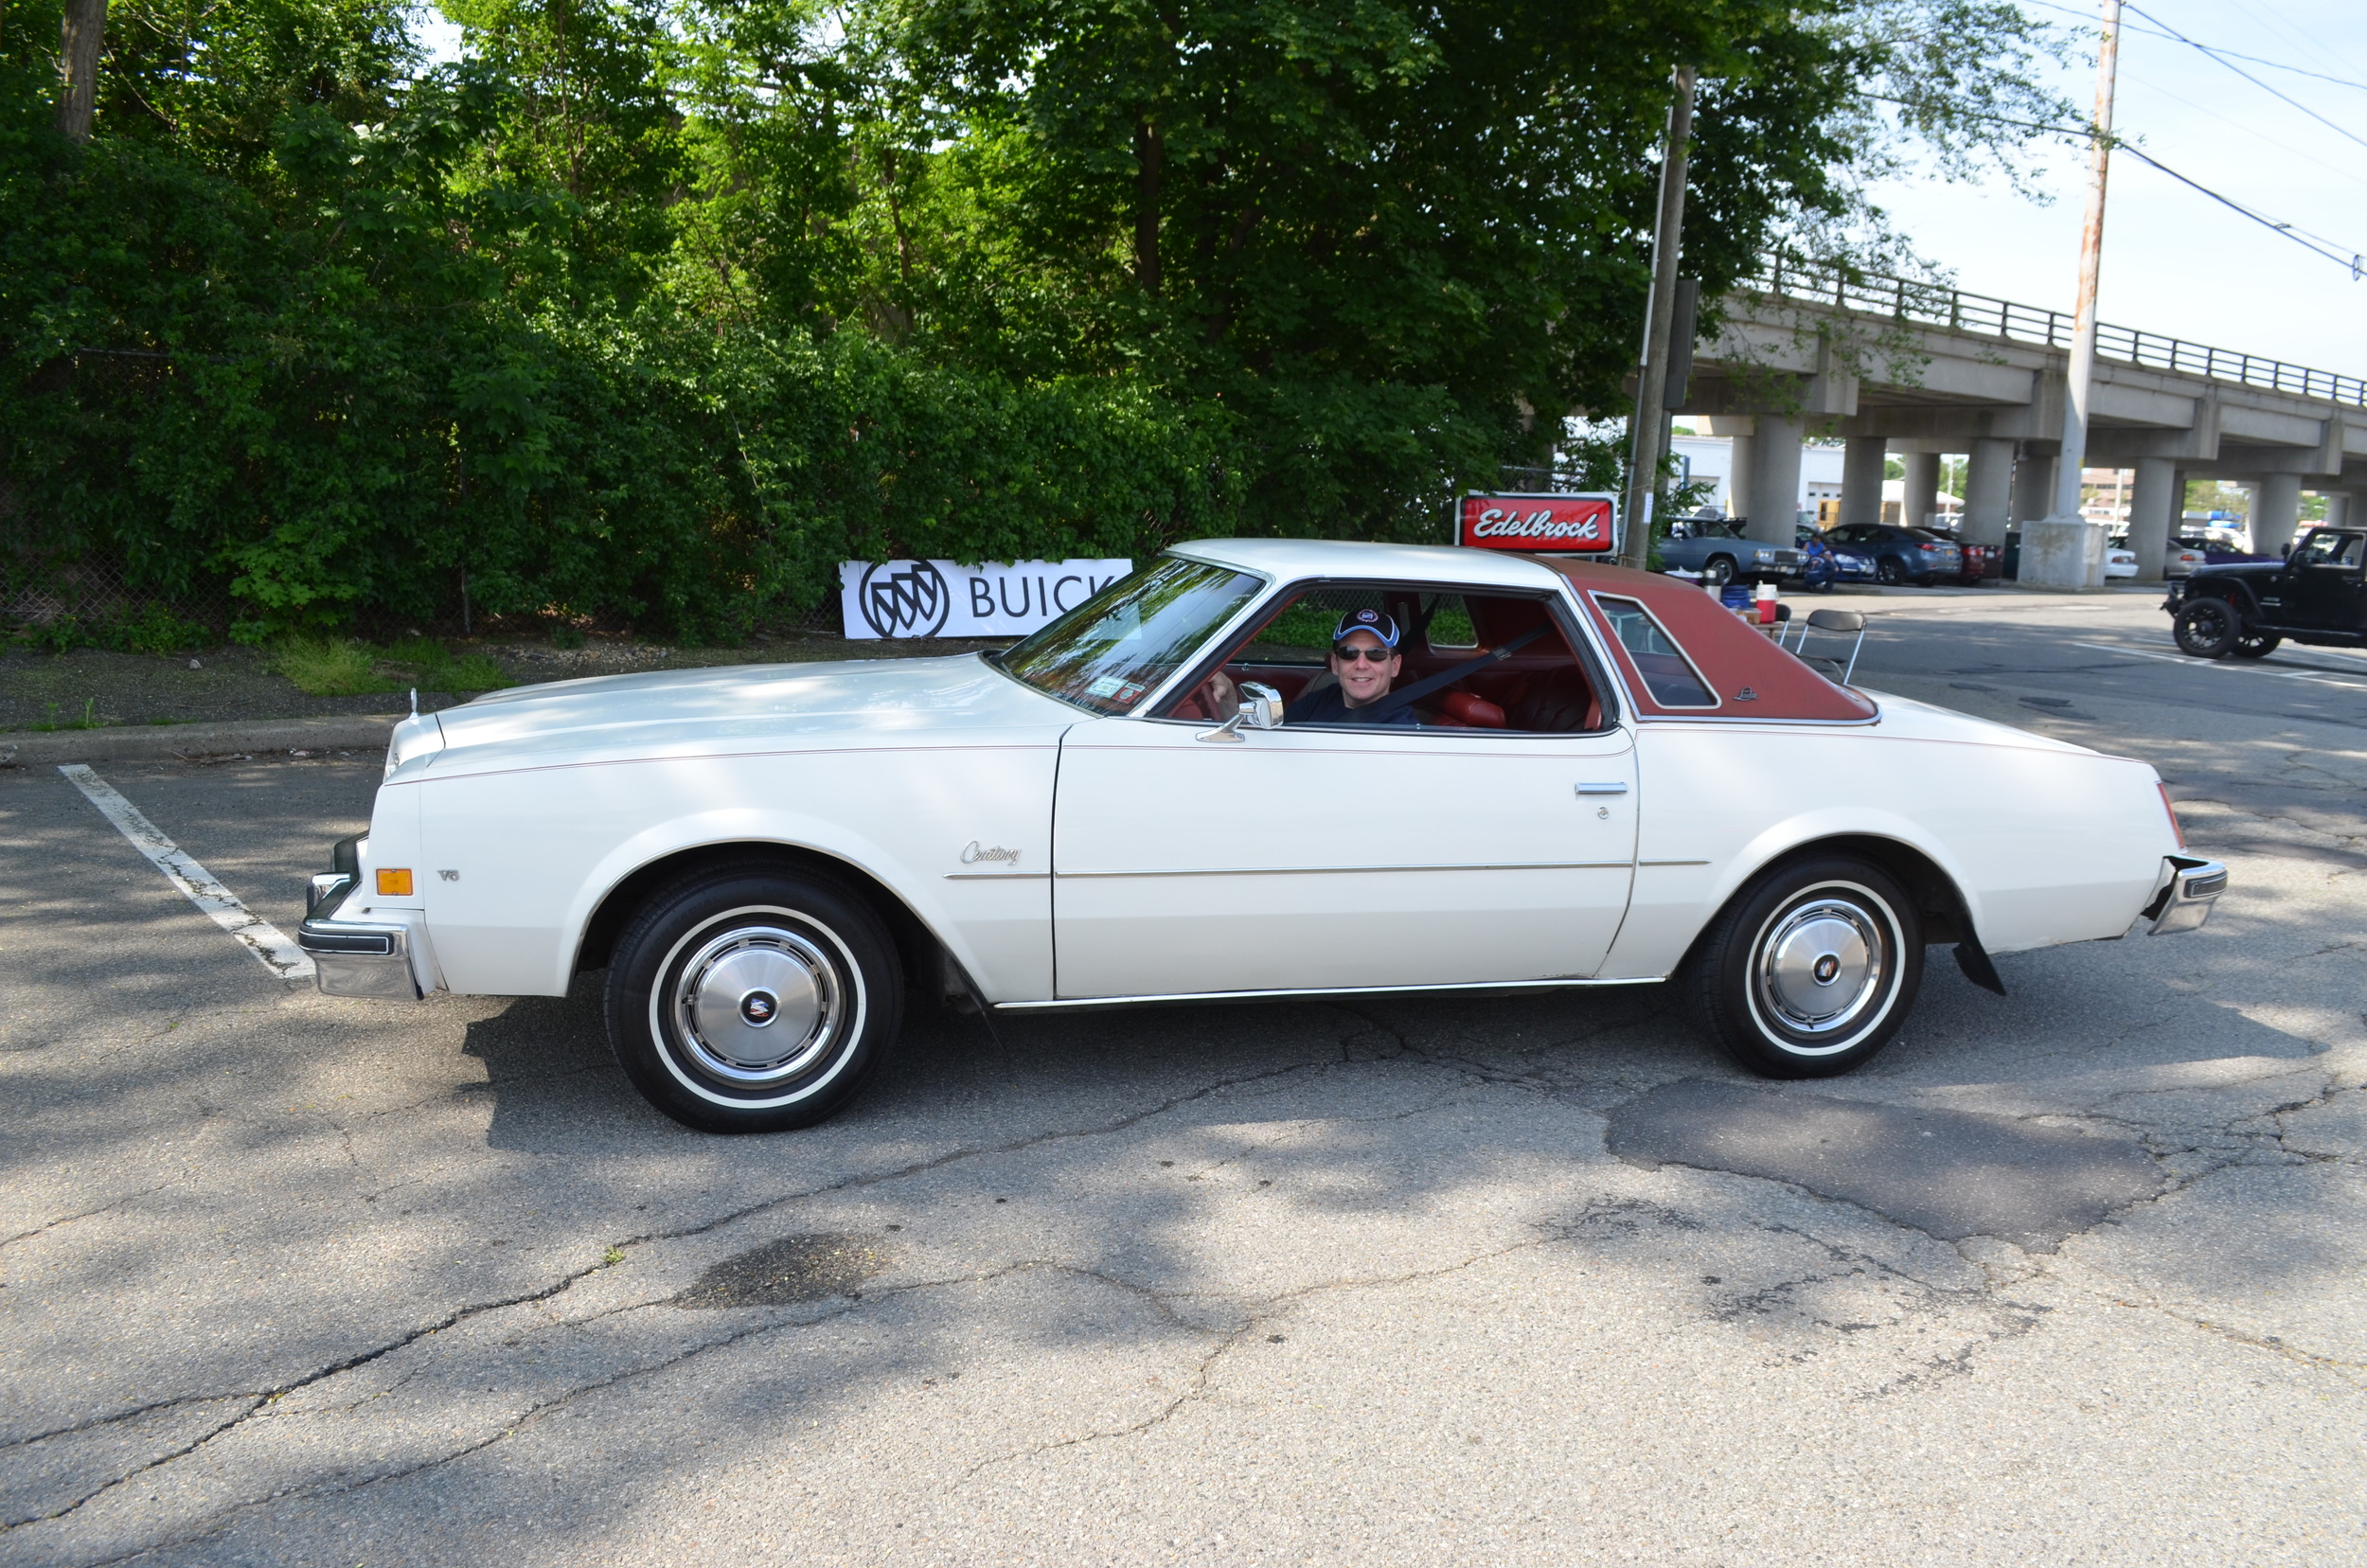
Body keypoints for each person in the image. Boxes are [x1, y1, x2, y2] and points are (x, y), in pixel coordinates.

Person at [1285, 609, 1418, 726]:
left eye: (1376, 653)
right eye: (1349, 652)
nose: (1361, 665)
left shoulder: (1403, 730)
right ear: (1335, 663)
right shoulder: (1315, 702)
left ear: (1395, 666)